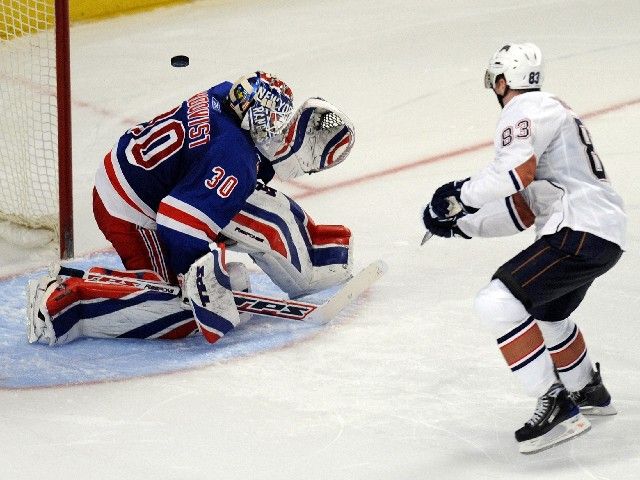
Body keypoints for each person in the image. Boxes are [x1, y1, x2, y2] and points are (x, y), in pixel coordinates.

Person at [27, 71, 356, 346]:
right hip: (128, 209)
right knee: (181, 312)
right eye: (276, 123)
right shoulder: (235, 158)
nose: (280, 130)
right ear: (259, 119)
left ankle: (311, 252)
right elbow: (177, 222)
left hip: (136, 173)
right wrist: (199, 276)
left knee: (233, 205)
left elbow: (218, 155)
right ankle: (69, 303)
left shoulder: (224, 96)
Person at [422, 43, 626, 454]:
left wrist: (459, 195)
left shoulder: (524, 109)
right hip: (602, 233)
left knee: (496, 303)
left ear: (503, 81)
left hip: (579, 228)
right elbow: (521, 208)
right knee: (550, 313)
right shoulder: (552, 119)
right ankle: (587, 388)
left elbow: (514, 173)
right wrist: (459, 224)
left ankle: (557, 407)